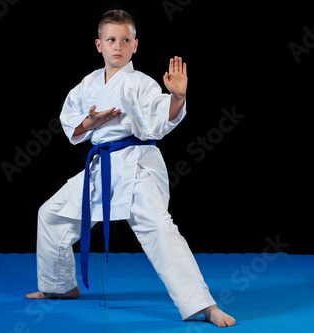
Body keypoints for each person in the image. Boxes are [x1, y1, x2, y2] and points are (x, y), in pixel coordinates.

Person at [26, 9, 236, 328]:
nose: (118, 46)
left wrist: (177, 97)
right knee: (51, 214)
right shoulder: (89, 84)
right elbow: (72, 122)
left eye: (126, 40)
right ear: (99, 45)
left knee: (161, 231)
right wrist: (90, 122)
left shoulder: (140, 83)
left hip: (136, 165)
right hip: (102, 166)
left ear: (135, 46)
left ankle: (204, 305)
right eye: (112, 40)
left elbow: (158, 118)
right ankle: (60, 286)